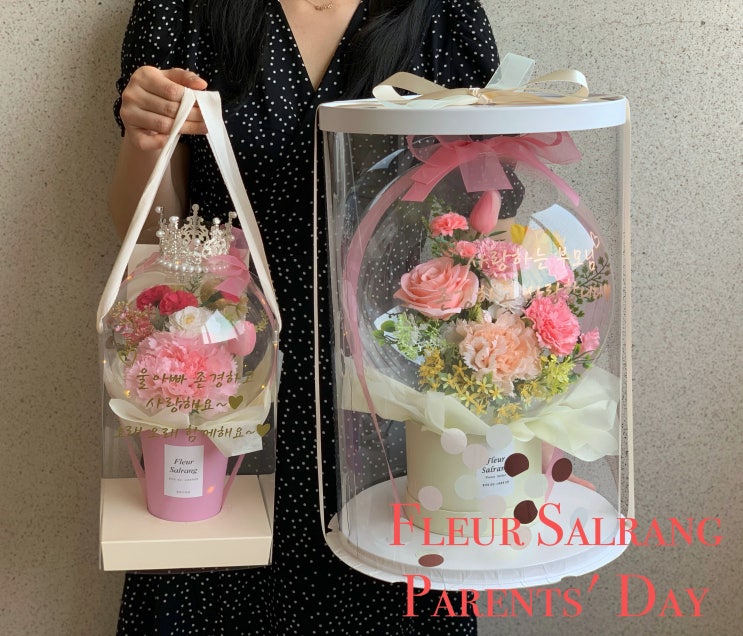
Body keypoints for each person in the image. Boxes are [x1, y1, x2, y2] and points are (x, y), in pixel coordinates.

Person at [109, 1, 499, 633]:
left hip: (392, 392)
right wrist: (145, 139)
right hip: (223, 382)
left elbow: (480, 229)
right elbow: (156, 235)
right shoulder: (182, 7)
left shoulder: (441, 12)